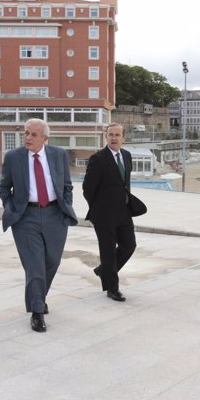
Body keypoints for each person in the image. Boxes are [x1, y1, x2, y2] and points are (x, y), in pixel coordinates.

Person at [0, 118, 78, 333]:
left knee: (52, 261)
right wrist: (11, 208)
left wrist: (66, 204)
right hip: (26, 217)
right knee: (34, 265)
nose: (28, 138)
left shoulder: (59, 154)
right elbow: (4, 187)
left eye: (33, 134)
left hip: (55, 214)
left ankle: (38, 297)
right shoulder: (13, 157)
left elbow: (67, 185)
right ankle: (37, 311)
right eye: (26, 133)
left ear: (45, 138)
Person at [83, 123, 137, 302]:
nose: (114, 138)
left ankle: (104, 271)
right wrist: (98, 209)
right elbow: (87, 188)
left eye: (117, 135)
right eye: (110, 134)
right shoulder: (98, 158)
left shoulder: (127, 156)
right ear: (105, 137)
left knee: (129, 246)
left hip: (124, 212)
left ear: (123, 138)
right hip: (103, 214)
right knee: (107, 251)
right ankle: (112, 288)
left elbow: (124, 184)